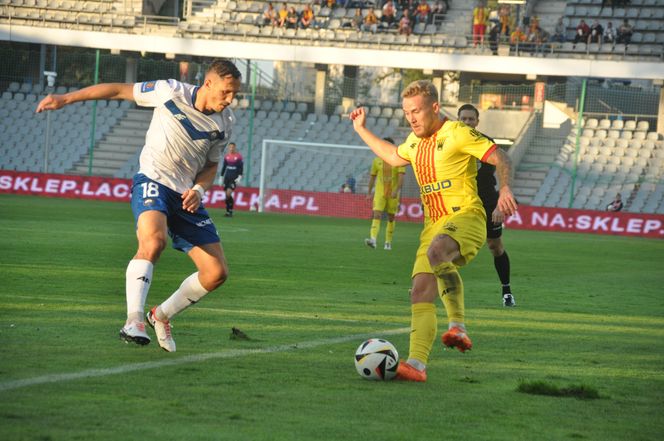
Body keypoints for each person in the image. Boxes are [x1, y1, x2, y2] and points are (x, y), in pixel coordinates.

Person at [35, 59, 242, 353]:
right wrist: (66, 98)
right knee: (153, 242)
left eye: (235, 94)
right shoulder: (170, 91)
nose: (231, 99)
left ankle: (160, 316)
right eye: (226, 92)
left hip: (186, 195)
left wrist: (198, 189)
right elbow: (118, 91)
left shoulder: (226, 122)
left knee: (216, 272)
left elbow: (210, 166)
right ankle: (133, 320)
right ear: (208, 84)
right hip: (154, 180)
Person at [350, 80, 517, 382]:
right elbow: (391, 155)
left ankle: (458, 326)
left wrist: (505, 187)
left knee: (438, 251)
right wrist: (361, 129)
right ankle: (417, 365)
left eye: (416, 111)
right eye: (406, 113)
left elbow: (500, 156)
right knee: (420, 292)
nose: (411, 118)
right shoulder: (415, 144)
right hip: (433, 225)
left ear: (435, 108)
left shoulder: (457, 133)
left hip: (466, 216)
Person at [457, 104, 516, 307]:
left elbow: (503, 164)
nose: (466, 122)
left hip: (488, 202)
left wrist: (500, 202)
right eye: (463, 119)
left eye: (470, 119)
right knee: (447, 243)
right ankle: (432, 285)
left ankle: (506, 291)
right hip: (460, 203)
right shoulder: (450, 142)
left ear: (477, 122)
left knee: (495, 246)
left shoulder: (486, 142)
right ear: (458, 120)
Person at [364, 137, 406, 251]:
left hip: (392, 194)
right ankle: (373, 239)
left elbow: (401, 178)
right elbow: (372, 178)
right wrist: (369, 193)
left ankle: (388, 242)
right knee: (376, 214)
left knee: (391, 217)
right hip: (379, 193)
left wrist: (396, 191)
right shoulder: (376, 160)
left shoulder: (399, 160)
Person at [220, 142, 244, 217]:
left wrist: (240, 176)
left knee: (228, 193)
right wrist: (221, 177)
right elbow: (224, 167)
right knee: (227, 196)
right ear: (228, 148)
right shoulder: (227, 156)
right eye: (230, 147)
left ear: (235, 148)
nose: (231, 149)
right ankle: (228, 211)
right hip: (227, 177)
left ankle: (230, 210)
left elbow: (241, 167)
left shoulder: (238, 157)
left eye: (232, 147)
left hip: (234, 178)